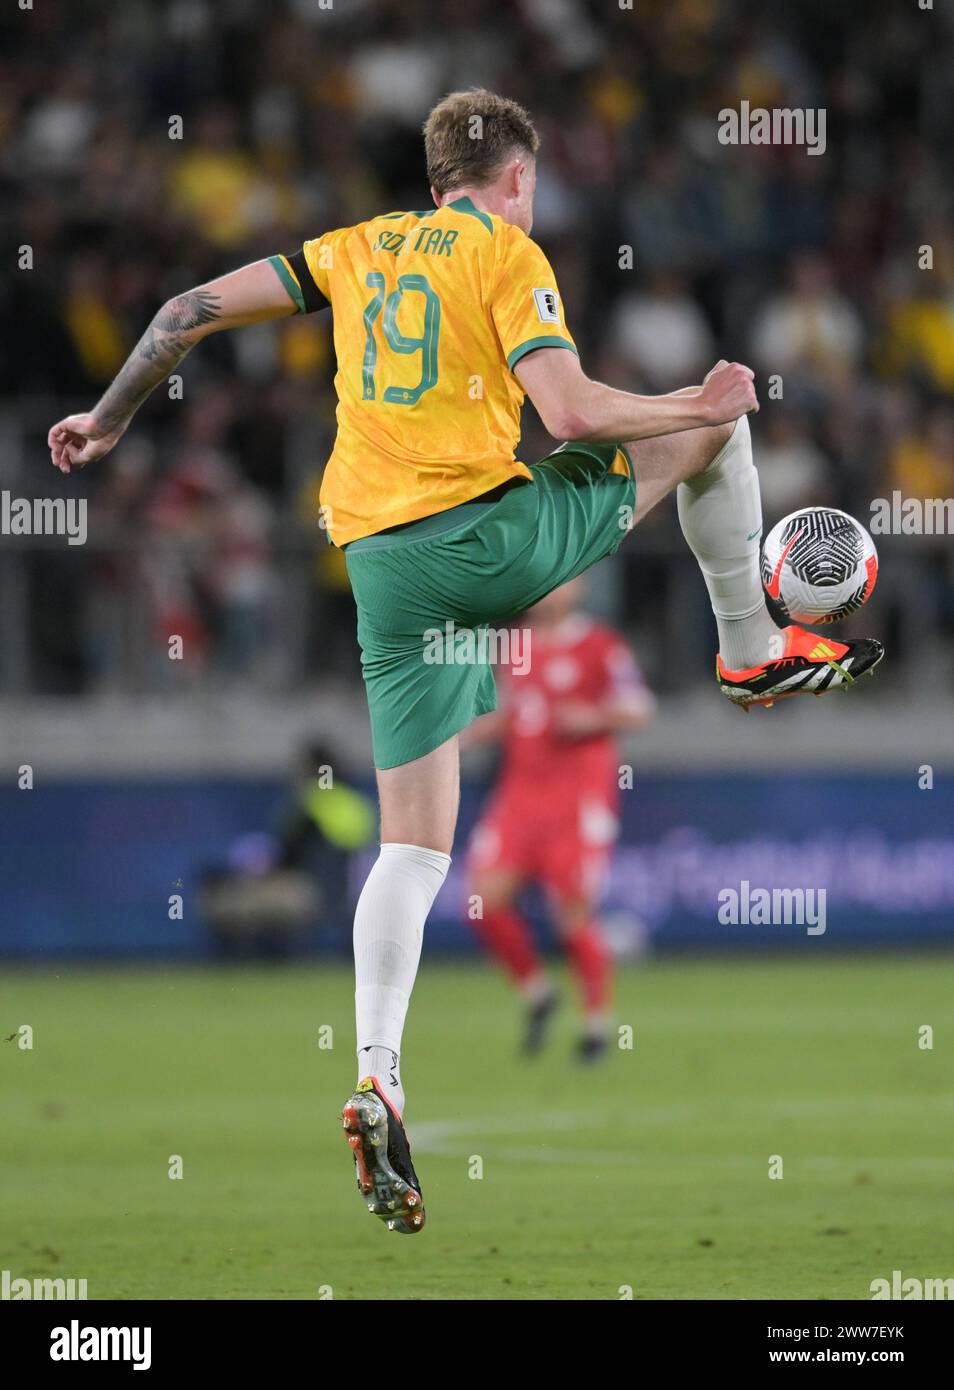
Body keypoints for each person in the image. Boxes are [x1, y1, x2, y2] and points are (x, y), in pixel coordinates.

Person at [48, 88, 883, 1237]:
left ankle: (379, 1068)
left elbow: (186, 307)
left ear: (434, 173)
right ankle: (748, 650)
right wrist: (695, 398)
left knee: (413, 845)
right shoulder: (506, 247)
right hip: (483, 536)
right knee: (717, 428)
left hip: (380, 568)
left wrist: (106, 418)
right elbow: (573, 410)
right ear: (517, 177)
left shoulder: (350, 247)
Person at [466, 579, 655, 1061]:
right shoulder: (514, 646)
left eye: (560, 581)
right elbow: (515, 713)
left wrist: (593, 717)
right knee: (483, 901)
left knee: (571, 911)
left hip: (577, 800)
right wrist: (464, 738)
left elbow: (639, 708)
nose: (547, 591)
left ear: (579, 588)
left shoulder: (599, 645)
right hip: (520, 796)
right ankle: (537, 992)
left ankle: (595, 1024)